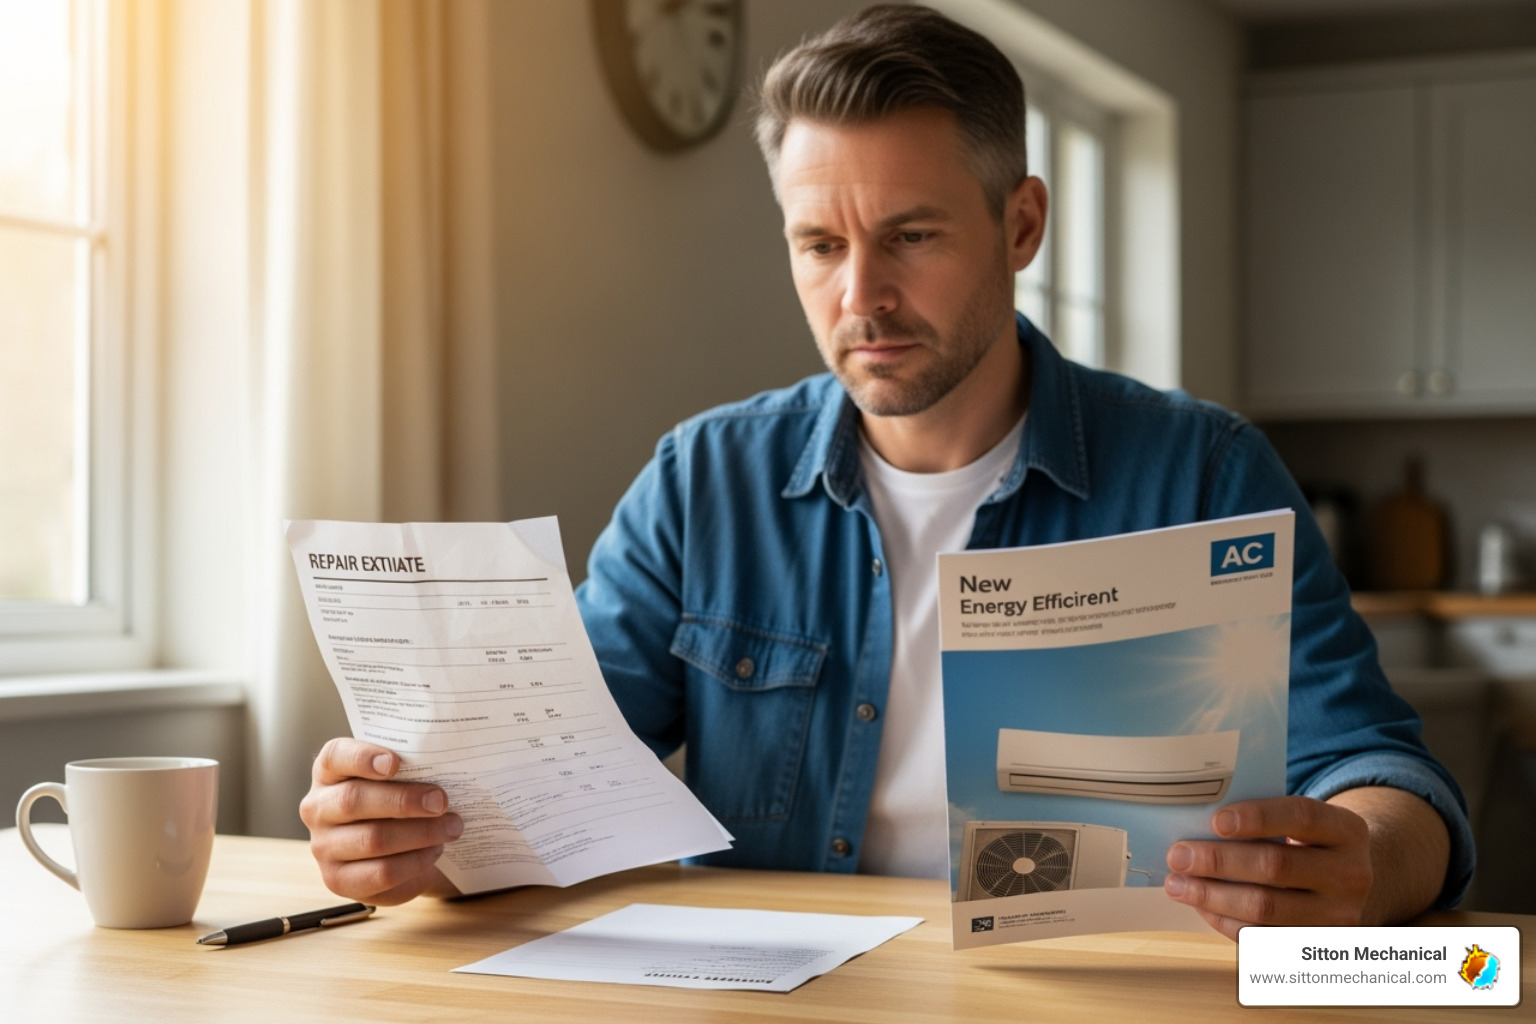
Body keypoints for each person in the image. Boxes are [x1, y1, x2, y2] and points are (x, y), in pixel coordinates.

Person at [301, 5, 1473, 939]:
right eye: (819, 244)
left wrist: (1364, 863)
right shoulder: (705, 479)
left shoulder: (1205, 470)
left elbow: (1382, 772)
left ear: (1020, 227)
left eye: (911, 236)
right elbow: (544, 778)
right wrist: (417, 834)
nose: (859, 297)